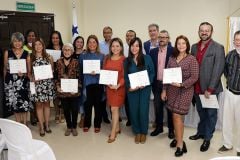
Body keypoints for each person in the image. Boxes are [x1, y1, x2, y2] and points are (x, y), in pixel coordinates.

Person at [189, 22, 225, 152]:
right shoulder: (193, 47)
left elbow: (218, 69)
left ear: (211, 32)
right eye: (202, 30)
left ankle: (207, 138)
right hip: (197, 88)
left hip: (210, 90)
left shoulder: (218, 47)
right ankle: (201, 132)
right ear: (198, 31)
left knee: (210, 115)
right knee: (201, 112)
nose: (204, 32)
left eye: (207, 30)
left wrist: (210, 89)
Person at [161, 35, 199, 157]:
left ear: (187, 45)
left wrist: (182, 84)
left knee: (177, 116)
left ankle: (180, 145)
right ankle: (179, 138)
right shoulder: (172, 58)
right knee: (176, 117)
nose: (181, 45)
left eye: (183, 43)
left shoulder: (191, 59)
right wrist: (164, 90)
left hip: (185, 91)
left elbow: (194, 77)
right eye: (179, 43)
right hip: (172, 91)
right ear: (176, 45)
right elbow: (167, 75)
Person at [124, 37, 155, 144]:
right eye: (132, 46)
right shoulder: (126, 61)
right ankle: (137, 131)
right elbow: (125, 76)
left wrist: (146, 83)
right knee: (133, 110)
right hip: (132, 90)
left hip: (144, 89)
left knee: (143, 110)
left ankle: (143, 132)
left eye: (137, 45)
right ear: (130, 47)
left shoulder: (147, 58)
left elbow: (152, 73)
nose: (134, 48)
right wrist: (129, 87)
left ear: (140, 47)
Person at [218, 30, 240, 157]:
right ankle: (227, 144)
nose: (238, 42)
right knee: (227, 121)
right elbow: (225, 71)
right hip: (230, 93)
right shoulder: (230, 55)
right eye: (236, 40)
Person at [149, 30, 174, 138]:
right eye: (160, 37)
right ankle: (159, 127)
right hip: (157, 83)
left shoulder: (173, 51)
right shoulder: (153, 51)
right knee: (157, 106)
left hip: (169, 84)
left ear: (168, 39)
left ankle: (171, 130)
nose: (162, 39)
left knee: (170, 108)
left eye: (165, 37)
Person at [3, 32, 32, 125]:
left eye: (19, 41)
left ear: (22, 42)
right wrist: (5, 81)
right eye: (15, 41)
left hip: (23, 81)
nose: (17, 43)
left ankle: (24, 122)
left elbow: (29, 70)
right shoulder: (8, 52)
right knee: (14, 103)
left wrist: (24, 73)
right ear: (12, 42)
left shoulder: (27, 53)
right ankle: (18, 122)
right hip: (11, 82)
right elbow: (5, 68)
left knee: (24, 102)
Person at [79, 35, 104, 133]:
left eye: (94, 42)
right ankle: (87, 124)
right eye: (90, 42)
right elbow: (80, 71)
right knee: (87, 105)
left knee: (98, 105)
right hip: (87, 83)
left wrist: (98, 71)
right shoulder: (83, 55)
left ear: (97, 43)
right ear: (87, 44)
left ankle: (97, 124)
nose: (92, 44)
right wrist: (80, 82)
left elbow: (104, 70)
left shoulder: (102, 55)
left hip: (98, 83)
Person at [30, 38, 55, 136]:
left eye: (39, 44)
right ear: (33, 47)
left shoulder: (49, 57)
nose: (38, 46)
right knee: (39, 105)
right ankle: (41, 126)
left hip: (47, 84)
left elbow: (52, 71)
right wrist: (33, 78)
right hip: (36, 85)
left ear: (43, 45)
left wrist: (49, 74)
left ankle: (47, 125)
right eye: (35, 45)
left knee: (47, 104)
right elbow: (29, 74)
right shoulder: (30, 58)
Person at [56, 43, 81, 136]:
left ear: (72, 51)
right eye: (65, 50)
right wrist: (58, 87)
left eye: (69, 50)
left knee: (74, 110)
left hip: (74, 92)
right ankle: (68, 127)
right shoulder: (58, 62)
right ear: (62, 51)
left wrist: (77, 87)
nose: (67, 51)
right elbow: (56, 77)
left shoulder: (76, 62)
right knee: (66, 110)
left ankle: (74, 127)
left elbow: (79, 76)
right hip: (63, 92)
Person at [103, 38, 125, 143]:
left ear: (121, 47)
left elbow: (125, 76)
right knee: (113, 108)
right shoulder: (107, 58)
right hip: (109, 88)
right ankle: (117, 128)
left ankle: (113, 132)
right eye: (113, 46)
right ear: (110, 47)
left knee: (114, 109)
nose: (115, 48)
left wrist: (118, 85)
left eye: (117, 46)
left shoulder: (124, 59)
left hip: (119, 88)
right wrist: (107, 83)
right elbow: (104, 73)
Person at [47, 30, 64, 124]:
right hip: (52, 75)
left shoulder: (64, 48)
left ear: (59, 39)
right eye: (53, 38)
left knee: (63, 94)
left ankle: (64, 113)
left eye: (57, 38)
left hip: (63, 74)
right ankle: (57, 113)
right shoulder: (47, 49)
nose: (55, 39)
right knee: (55, 95)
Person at [24, 29, 38, 126]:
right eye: (29, 35)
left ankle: (38, 115)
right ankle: (33, 116)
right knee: (32, 96)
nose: (31, 37)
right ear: (26, 37)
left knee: (37, 96)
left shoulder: (38, 46)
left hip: (39, 76)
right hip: (29, 76)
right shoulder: (23, 48)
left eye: (33, 35)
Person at [99, 26, 113, 123]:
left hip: (113, 73)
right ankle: (104, 116)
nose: (107, 34)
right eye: (105, 32)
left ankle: (114, 115)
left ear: (111, 33)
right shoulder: (99, 44)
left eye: (109, 32)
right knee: (103, 96)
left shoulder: (115, 43)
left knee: (112, 94)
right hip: (102, 72)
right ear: (103, 34)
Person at [123, 30, 136, 126]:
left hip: (136, 78)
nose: (129, 37)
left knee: (134, 100)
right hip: (124, 78)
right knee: (126, 100)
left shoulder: (139, 47)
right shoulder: (122, 47)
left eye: (131, 36)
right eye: (127, 36)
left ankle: (135, 118)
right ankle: (129, 119)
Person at [72, 36, 85, 128]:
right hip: (72, 80)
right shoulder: (70, 53)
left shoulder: (85, 54)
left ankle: (83, 118)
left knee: (82, 99)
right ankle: (74, 118)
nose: (79, 44)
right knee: (74, 99)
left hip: (83, 79)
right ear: (74, 43)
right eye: (77, 42)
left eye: (81, 42)